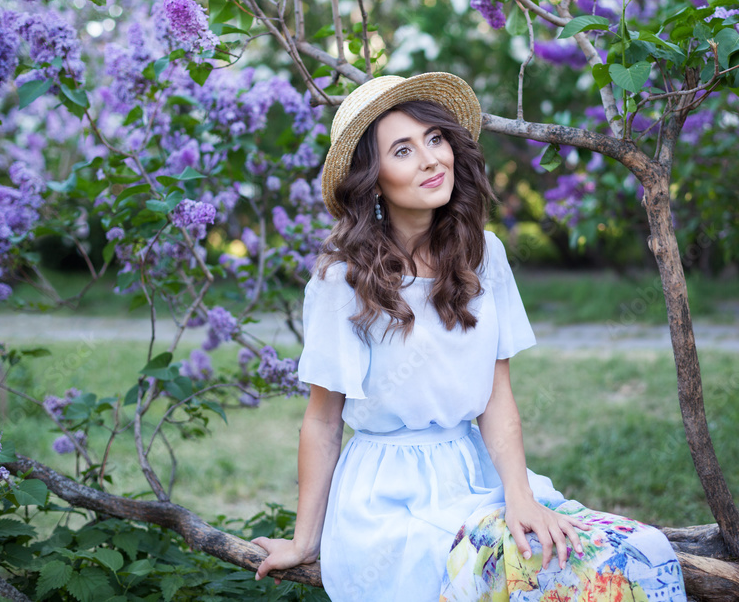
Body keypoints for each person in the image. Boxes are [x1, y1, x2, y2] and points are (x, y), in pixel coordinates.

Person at [252, 72, 687, 602]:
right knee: (535, 574)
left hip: (475, 471)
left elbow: (495, 394)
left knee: (636, 551)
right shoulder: (342, 281)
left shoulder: (485, 254)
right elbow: (322, 420)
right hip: (389, 495)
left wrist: (519, 493)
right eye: (404, 150)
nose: (432, 159)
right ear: (372, 179)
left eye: (435, 139)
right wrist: (303, 541)